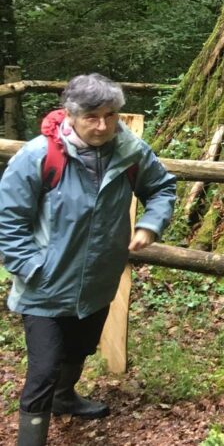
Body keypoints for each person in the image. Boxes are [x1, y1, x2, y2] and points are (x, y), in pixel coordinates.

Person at [0, 74, 177, 446]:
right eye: (92, 117)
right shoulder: (37, 156)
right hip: (44, 287)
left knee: (80, 349)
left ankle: (66, 398)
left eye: (110, 115)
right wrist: (33, 269)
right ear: (70, 114)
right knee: (44, 370)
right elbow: (9, 222)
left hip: (98, 280)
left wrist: (150, 224)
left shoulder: (131, 152)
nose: (102, 125)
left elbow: (161, 187)